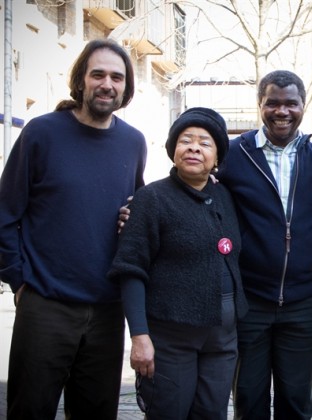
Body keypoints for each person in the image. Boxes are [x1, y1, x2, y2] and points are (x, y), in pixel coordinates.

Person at [0, 39, 147, 419]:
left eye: (117, 77)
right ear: (81, 80)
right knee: (29, 410)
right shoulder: (41, 133)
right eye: (98, 74)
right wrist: (19, 280)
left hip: (107, 310)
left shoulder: (133, 142)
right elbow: (6, 212)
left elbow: (137, 210)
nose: (107, 84)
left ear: (126, 87)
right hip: (45, 304)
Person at [108, 107, 248, 419]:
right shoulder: (151, 198)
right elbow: (130, 270)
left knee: (212, 413)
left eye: (205, 143)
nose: (194, 148)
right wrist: (139, 336)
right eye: (186, 140)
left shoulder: (226, 196)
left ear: (217, 157)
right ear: (173, 150)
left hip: (222, 339)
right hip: (171, 339)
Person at [218, 70, 312, 419]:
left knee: (295, 402)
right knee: (249, 400)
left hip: (303, 302)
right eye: (273, 103)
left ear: (303, 106)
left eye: (291, 103)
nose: (282, 111)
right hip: (250, 300)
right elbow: (194, 188)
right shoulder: (233, 154)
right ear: (260, 105)